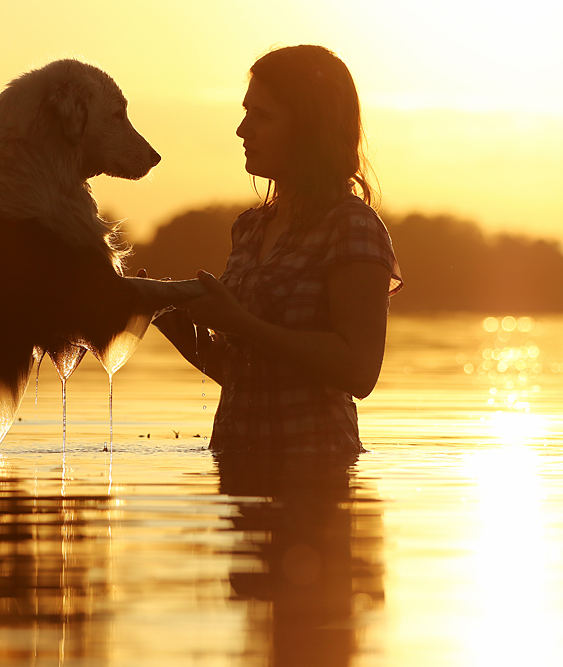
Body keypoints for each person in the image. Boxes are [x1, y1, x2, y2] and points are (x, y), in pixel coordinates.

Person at [153, 45, 403, 457]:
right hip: (237, 474)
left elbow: (359, 371)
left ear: (310, 128)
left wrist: (241, 322)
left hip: (316, 477)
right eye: (246, 111)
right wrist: (176, 328)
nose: (242, 129)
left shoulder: (352, 228)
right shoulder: (250, 228)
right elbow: (248, 375)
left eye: (262, 116)